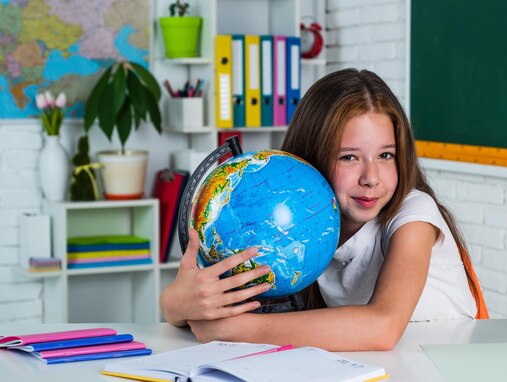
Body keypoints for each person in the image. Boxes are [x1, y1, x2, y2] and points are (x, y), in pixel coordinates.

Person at [160, 68, 488, 351]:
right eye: (349, 157)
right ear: (310, 160)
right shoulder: (297, 227)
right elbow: (196, 305)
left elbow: (383, 327)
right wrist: (176, 303)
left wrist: (239, 331)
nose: (371, 178)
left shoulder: (414, 213)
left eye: (385, 155)